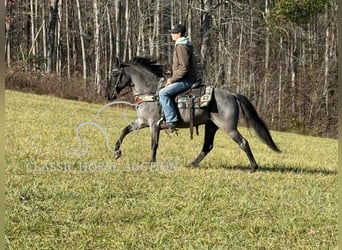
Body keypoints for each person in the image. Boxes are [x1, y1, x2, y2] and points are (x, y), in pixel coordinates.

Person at [159, 24, 199, 131]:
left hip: (186, 80)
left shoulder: (181, 46)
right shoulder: (183, 44)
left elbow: (184, 68)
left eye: (173, 33)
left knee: (163, 93)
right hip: (184, 78)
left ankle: (171, 121)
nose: (171, 34)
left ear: (179, 34)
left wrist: (172, 80)